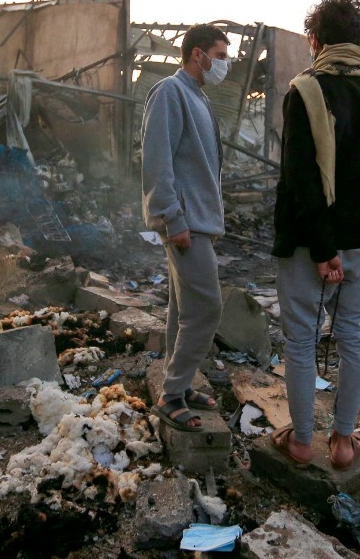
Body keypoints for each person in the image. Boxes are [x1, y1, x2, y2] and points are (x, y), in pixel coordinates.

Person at [270, 0, 360, 469]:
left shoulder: (304, 90)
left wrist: (323, 249)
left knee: (302, 340)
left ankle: (303, 441)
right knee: (352, 338)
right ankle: (344, 442)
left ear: (315, 39)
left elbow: (299, 180)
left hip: (308, 242)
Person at [141, 24, 231, 431]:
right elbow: (157, 161)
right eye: (221, 55)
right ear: (199, 55)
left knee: (183, 310)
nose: (223, 64)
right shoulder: (170, 93)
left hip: (199, 222)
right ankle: (172, 395)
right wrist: (171, 217)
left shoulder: (199, 99)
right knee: (208, 307)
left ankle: (180, 382)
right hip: (184, 223)